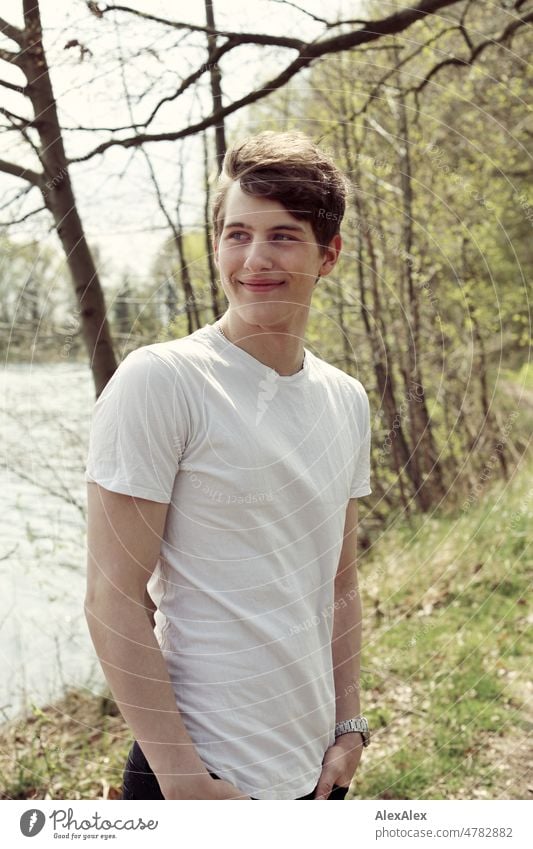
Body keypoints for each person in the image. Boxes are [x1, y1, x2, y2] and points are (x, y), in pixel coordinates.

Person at [84, 130, 372, 801]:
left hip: (314, 776)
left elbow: (339, 584)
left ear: (328, 254)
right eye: (236, 233)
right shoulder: (162, 381)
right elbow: (112, 597)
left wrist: (348, 724)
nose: (253, 258)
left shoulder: (344, 399)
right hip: (198, 779)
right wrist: (185, 780)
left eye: (282, 235)